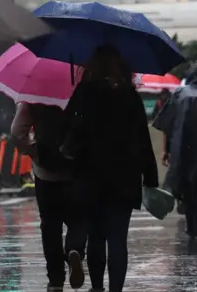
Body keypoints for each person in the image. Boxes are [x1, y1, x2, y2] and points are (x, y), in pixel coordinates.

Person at [63, 45, 158, 292]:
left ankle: (96, 287)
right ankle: (115, 288)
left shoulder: (84, 94)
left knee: (96, 237)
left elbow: (66, 129)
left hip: (90, 177)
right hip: (124, 179)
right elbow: (143, 140)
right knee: (118, 239)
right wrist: (151, 178)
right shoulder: (130, 96)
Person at [11, 102, 87, 291]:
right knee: (79, 219)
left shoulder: (33, 97)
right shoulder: (80, 90)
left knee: (50, 226)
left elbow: (17, 130)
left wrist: (31, 150)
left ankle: (55, 280)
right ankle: (74, 249)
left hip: (45, 172)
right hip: (76, 170)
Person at [155, 63, 197, 241]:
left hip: (180, 150)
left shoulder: (178, 94)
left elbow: (167, 124)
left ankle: (189, 222)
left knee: (184, 186)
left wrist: (165, 150)